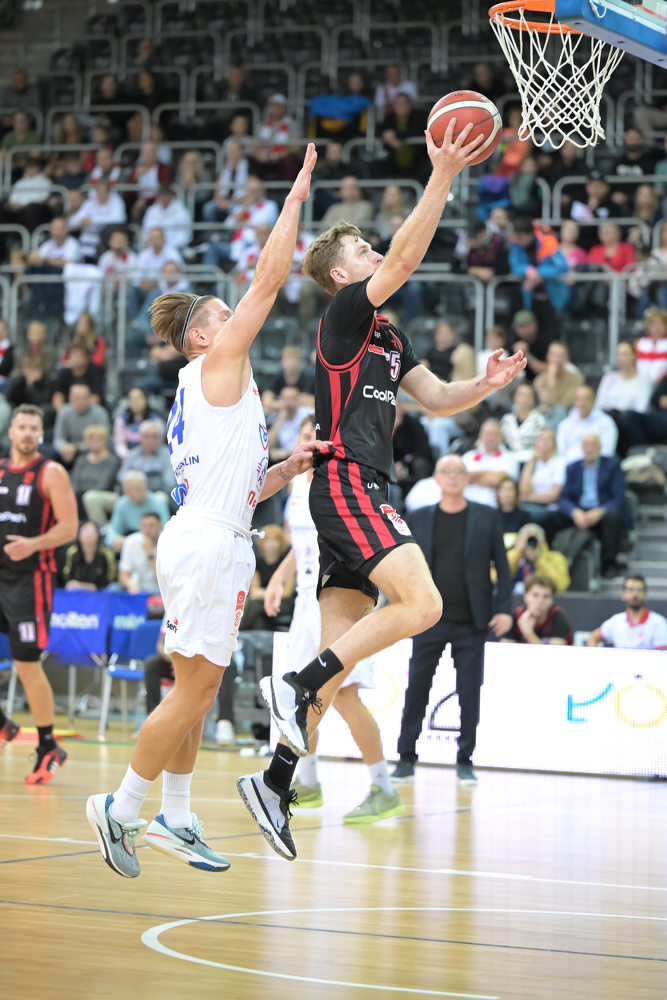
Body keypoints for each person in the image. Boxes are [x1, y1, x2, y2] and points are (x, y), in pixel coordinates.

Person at [251, 120, 526, 860]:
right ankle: (296, 683)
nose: (374, 252)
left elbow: (436, 399)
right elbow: (405, 255)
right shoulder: (344, 316)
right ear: (340, 276)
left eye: (372, 247)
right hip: (347, 481)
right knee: (423, 605)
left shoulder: (390, 338)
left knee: (339, 659)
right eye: (361, 251)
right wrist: (442, 172)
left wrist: (485, 385)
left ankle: (275, 783)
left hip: (356, 487)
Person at [86, 145, 328, 877]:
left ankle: (177, 814)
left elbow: (240, 487)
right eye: (224, 315)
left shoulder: (216, 389)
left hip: (210, 532)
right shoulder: (217, 364)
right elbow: (270, 279)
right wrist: (294, 200)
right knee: (194, 690)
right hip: (208, 545)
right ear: (202, 336)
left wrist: (285, 469)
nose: (238, 316)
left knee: (199, 688)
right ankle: (121, 807)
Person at [264, 415, 404, 821]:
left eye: (317, 435)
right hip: (304, 601)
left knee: (344, 696)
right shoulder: (295, 483)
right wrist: (279, 577)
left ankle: (383, 787)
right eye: (304, 434)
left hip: (338, 599)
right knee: (295, 695)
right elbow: (303, 545)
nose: (310, 440)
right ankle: (307, 782)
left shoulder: (343, 482)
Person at [391, 454, 512, 785]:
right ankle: (405, 757)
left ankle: (465, 760)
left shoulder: (486, 516)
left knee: (469, 692)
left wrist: (504, 609)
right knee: (417, 688)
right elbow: (403, 565)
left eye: (459, 470)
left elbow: (502, 567)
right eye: (446, 470)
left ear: (467, 479)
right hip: (427, 619)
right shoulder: (419, 517)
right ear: (436, 478)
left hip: (472, 620)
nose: (453, 475)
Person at [0, 405, 77, 782]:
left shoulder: (51, 472)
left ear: (41, 434)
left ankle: (48, 746)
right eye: (22, 427)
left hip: (31, 580)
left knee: (26, 664)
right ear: (11, 432)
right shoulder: (1, 470)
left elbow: (70, 527)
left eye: (34, 428)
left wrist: (33, 544)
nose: (28, 433)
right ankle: (3, 724)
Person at [543, 433, 626, 578]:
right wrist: (574, 512)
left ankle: (609, 565)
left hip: (601, 512)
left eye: (593, 445)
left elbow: (619, 497)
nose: (589, 449)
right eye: (586, 445)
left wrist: (600, 511)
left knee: (613, 517)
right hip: (578, 512)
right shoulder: (572, 468)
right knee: (549, 518)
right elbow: (563, 498)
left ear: (600, 447)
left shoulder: (612, 465)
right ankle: (550, 561)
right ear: (581, 448)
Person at [586, 573, 667, 649]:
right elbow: (593, 638)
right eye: (631, 589)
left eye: (639, 590)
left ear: (645, 594)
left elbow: (663, 655)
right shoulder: (616, 621)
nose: (635, 594)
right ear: (623, 594)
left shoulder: (658, 623)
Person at [93, 470, 169, 549]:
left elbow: (166, 530)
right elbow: (113, 530)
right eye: (129, 489)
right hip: (129, 542)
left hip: (154, 542)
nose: (133, 492)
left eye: (137, 488)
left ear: (146, 487)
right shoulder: (122, 503)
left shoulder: (158, 502)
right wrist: (116, 540)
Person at [508, 219, 569, 313]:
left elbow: (562, 267)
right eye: (516, 235)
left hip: (553, 295)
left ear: (530, 234)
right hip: (529, 297)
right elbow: (514, 267)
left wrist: (537, 272)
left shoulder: (549, 242)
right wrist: (527, 270)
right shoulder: (515, 246)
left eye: (520, 236)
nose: (517, 239)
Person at [462, 419, 520, 508]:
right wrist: (488, 475)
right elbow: (459, 478)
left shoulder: (510, 458)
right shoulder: (467, 457)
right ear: (480, 435)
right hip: (468, 507)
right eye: (487, 433)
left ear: (501, 436)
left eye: (494, 434)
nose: (490, 437)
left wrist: (469, 477)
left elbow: (499, 480)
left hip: (495, 508)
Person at [500, 574, 573, 644]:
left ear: (551, 600)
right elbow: (505, 649)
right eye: (535, 595)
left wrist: (528, 632)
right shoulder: (516, 617)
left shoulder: (557, 617)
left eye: (546, 596)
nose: (540, 601)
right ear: (525, 597)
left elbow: (555, 652)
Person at [52, 382, 110, 469]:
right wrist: (63, 447)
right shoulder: (64, 412)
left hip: (90, 449)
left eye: (83, 398)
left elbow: (104, 439)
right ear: (70, 398)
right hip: (67, 450)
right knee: (52, 454)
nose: (80, 402)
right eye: (76, 398)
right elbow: (58, 438)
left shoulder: (100, 413)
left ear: (89, 398)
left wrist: (76, 448)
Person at [556, 385, 618, 463]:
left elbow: (607, 451)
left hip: (597, 465)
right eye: (579, 399)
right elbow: (561, 452)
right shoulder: (564, 424)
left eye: (586, 399)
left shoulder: (606, 422)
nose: (583, 403)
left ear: (593, 401)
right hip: (570, 465)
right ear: (574, 401)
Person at [70, 424, 120, 520]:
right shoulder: (81, 460)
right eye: (92, 439)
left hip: (100, 494)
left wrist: (83, 494)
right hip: (79, 495)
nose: (96, 442)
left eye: (99, 439)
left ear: (105, 440)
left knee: (89, 497)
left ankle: (99, 526)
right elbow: (75, 481)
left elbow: (104, 484)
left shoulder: (111, 460)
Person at [505, 522, 570, 593]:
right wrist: (517, 552)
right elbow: (498, 576)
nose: (528, 544)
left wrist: (539, 558)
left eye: (532, 540)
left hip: (541, 597)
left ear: (543, 542)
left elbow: (561, 585)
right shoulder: (511, 556)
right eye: (524, 540)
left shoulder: (556, 558)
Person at [518, 428, 566, 520]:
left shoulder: (560, 463)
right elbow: (523, 491)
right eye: (540, 439)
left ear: (554, 443)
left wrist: (530, 498)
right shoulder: (533, 462)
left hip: (550, 507)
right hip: (531, 504)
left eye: (547, 439)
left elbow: (555, 494)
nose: (544, 442)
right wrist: (530, 464)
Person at [117, 419, 175, 497]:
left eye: (154, 436)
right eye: (146, 436)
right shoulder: (132, 454)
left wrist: (145, 488)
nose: (150, 440)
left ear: (160, 438)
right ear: (140, 437)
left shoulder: (167, 455)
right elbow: (121, 477)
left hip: (156, 494)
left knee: (161, 497)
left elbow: (170, 482)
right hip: (131, 494)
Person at [533, 341, 583, 421]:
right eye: (554, 355)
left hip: (569, 416)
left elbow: (567, 403)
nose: (557, 359)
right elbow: (547, 402)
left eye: (560, 355)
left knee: (559, 411)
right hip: (546, 416)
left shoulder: (576, 378)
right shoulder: (539, 381)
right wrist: (551, 379)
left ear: (567, 358)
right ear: (547, 356)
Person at [500, 383, 547, 462]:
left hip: (531, 459)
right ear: (515, 397)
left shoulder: (539, 420)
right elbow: (500, 441)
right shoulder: (507, 420)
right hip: (509, 459)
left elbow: (543, 442)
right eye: (520, 395)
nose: (523, 398)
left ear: (533, 399)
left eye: (527, 395)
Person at [62, 521, 116, 591]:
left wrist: (83, 586)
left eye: (92, 531)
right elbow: (67, 578)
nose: (88, 535)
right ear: (79, 535)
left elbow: (110, 579)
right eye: (84, 531)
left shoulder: (107, 554)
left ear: (98, 534)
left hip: (101, 592)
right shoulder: (71, 553)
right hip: (76, 592)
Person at [112, 387, 163, 461]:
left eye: (138, 398)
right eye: (132, 399)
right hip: (128, 459)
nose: (135, 402)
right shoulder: (121, 420)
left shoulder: (155, 420)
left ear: (146, 399)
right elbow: (119, 444)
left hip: (153, 457)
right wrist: (130, 457)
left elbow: (159, 443)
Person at [118, 511, 163, 595]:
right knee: (114, 588)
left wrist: (149, 554)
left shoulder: (166, 542)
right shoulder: (130, 542)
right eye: (144, 526)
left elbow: (162, 579)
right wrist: (130, 584)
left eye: (151, 526)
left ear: (159, 526)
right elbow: (123, 575)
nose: (147, 530)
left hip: (158, 588)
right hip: (138, 586)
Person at [261, 345, 314, 415]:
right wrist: (289, 404)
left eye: (292, 360)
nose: (289, 363)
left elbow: (312, 401)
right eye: (286, 360)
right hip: (279, 414)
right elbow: (266, 402)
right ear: (281, 362)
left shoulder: (307, 379)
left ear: (299, 362)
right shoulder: (276, 378)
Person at [266, 387, 313, 463]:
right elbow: (266, 445)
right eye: (284, 399)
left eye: (291, 399)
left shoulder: (308, 414)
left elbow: (311, 441)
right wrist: (280, 419)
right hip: (284, 460)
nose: (287, 403)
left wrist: (283, 453)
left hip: (305, 457)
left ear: (297, 400)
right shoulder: (276, 417)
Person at [51, 344, 104, 410]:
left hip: (88, 410)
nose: (76, 359)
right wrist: (63, 411)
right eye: (74, 355)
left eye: (79, 356)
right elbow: (57, 397)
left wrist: (80, 408)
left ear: (86, 358)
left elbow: (95, 399)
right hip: (68, 409)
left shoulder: (93, 373)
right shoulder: (64, 373)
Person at [141, 186, 192, 250]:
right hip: (153, 247)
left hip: (175, 248)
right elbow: (145, 231)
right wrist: (153, 243)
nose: (163, 198)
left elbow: (183, 236)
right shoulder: (151, 210)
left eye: (166, 195)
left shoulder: (181, 211)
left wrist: (166, 247)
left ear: (171, 196)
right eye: (161, 196)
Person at [634, 307, 667, 382]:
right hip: (641, 382)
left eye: (660, 324)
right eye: (654, 324)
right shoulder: (640, 343)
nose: (657, 327)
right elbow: (634, 364)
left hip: (663, 383)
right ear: (648, 326)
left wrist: (660, 379)